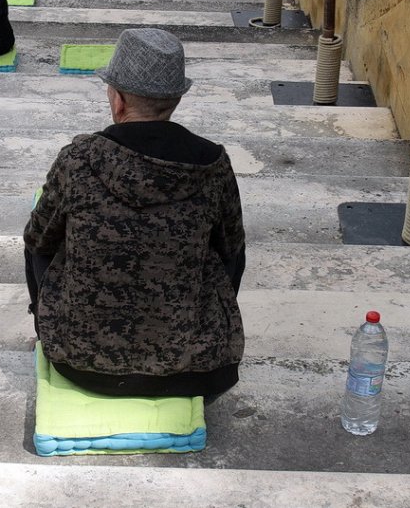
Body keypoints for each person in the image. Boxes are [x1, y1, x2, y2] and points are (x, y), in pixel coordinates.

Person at [24, 28, 246, 399]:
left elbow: (38, 242)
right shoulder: (212, 164)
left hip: (80, 361)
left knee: (42, 231)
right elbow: (232, 254)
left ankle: (48, 326)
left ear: (119, 101)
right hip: (194, 371)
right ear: (174, 100)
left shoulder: (78, 159)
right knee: (228, 245)